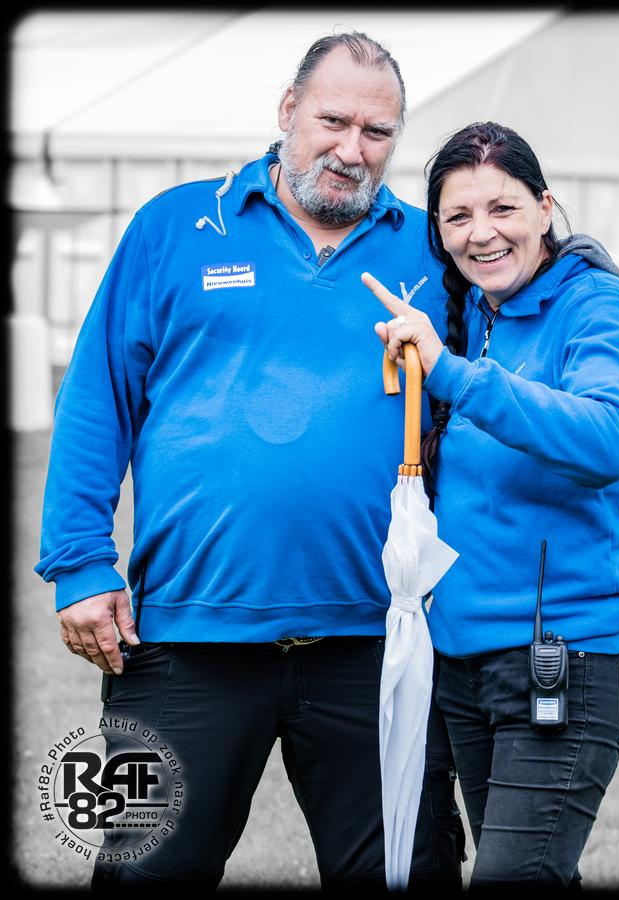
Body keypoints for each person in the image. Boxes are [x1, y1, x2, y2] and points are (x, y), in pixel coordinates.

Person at [34, 32, 465, 892]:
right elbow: (96, 400)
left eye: (377, 132)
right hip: (185, 636)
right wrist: (79, 564)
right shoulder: (174, 227)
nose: (352, 149)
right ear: (287, 111)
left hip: (380, 638)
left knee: (408, 875)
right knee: (146, 872)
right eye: (333, 121)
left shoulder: (432, 250)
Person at [362, 121, 619, 889]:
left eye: (502, 208)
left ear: (544, 207)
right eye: (458, 216)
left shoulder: (597, 306)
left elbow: (612, 438)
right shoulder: (477, 313)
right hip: (463, 659)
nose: (482, 233)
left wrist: (453, 375)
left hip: (567, 657)